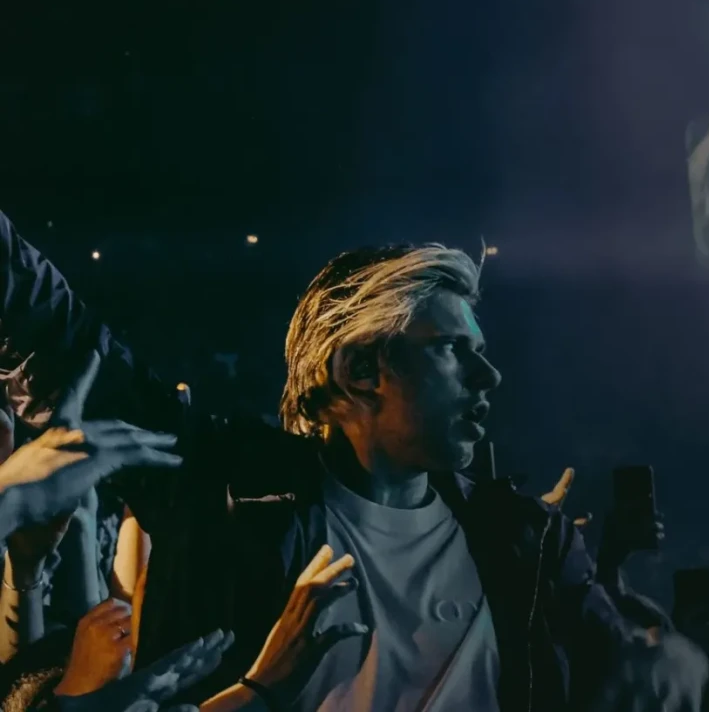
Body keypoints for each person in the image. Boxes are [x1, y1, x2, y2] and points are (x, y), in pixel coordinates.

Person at [0, 215, 641, 710]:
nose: (488, 376)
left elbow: (637, 689)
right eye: (451, 349)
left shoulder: (531, 544)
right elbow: (50, 331)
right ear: (359, 369)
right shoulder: (222, 487)